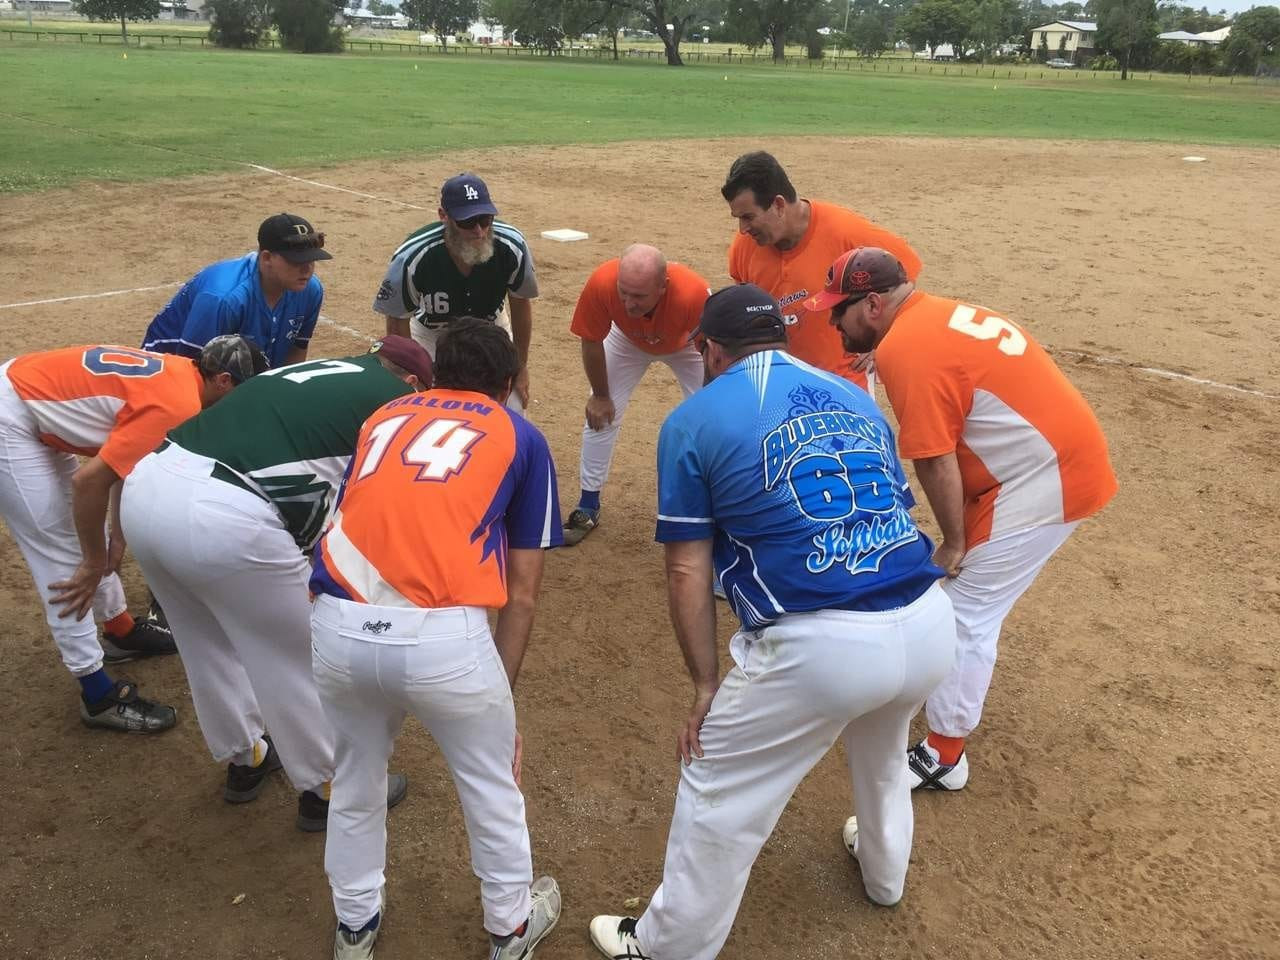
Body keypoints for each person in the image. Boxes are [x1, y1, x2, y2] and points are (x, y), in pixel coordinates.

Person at [588, 285, 956, 960]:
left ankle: (668, 948)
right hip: (929, 620)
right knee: (882, 749)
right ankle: (885, 876)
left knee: (717, 785)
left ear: (709, 349)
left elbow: (686, 569)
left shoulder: (693, 419)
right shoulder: (853, 395)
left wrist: (706, 685)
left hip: (822, 644)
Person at [808, 247, 1118, 790]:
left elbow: (933, 457)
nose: (834, 323)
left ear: (874, 304)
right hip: (1044, 462)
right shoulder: (931, 316)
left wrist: (953, 542)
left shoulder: (908, 347)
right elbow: (948, 366)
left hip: (1043, 480)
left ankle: (945, 756)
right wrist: (888, 354)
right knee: (955, 602)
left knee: (965, 610)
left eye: (841, 310)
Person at [309, 320, 564, 960]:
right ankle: (509, 928)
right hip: (443, 637)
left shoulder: (383, 416)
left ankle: (354, 925)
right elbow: (523, 592)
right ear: (507, 383)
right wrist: (499, 699)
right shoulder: (521, 434)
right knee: (491, 784)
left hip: (338, 622)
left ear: (434, 373)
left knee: (356, 776)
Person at [119, 337, 434, 828]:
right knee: (303, 651)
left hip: (148, 486)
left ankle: (246, 758)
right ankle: (329, 786)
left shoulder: (321, 372)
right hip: (222, 514)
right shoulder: (397, 400)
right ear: (412, 382)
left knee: (206, 643)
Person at [0, 337, 263, 733]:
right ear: (224, 380)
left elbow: (129, 461)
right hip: (12, 416)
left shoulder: (181, 373)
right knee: (65, 559)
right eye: (245, 389)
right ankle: (97, 694)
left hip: (29, 398)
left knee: (89, 540)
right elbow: (90, 483)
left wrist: (117, 537)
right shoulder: (180, 404)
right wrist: (94, 561)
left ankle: (120, 630)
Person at [721, 151, 922, 394]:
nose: (743, 229)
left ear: (779, 205)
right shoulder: (744, 248)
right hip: (780, 384)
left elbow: (906, 274)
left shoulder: (846, 232)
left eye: (748, 217)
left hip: (844, 382)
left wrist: (883, 340)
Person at [562, 244, 710, 545]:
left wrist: (709, 404)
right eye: (624, 292)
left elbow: (712, 351)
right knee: (600, 415)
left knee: (711, 422)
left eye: (639, 296)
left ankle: (715, 506)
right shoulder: (602, 283)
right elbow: (591, 340)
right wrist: (601, 395)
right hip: (626, 338)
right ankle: (588, 504)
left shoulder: (693, 294)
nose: (629, 303)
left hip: (686, 343)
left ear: (663, 286)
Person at [373, 173, 538, 414]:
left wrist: (521, 367)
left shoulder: (511, 246)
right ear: (444, 216)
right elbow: (397, 322)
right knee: (428, 408)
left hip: (491, 328)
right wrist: (414, 374)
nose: (479, 231)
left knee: (512, 404)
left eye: (485, 219)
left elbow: (521, 303)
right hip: (432, 332)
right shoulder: (413, 256)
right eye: (467, 222)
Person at [143, 213, 331, 368]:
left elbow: (297, 349)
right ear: (266, 258)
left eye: (311, 259)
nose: (307, 269)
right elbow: (193, 369)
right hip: (167, 368)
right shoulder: (223, 297)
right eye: (296, 261)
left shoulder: (310, 290)